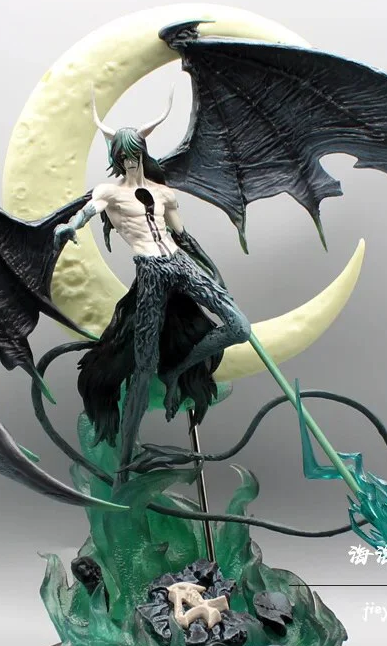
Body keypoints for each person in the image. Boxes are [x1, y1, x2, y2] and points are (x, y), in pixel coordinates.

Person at [54, 92, 251, 487]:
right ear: (115, 156)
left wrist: (212, 270)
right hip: (149, 272)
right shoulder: (109, 192)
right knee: (142, 372)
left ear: (142, 153)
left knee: (239, 327)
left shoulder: (164, 193)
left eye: (135, 154)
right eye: (123, 155)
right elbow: (87, 211)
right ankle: (124, 467)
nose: (130, 161)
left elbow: (183, 237)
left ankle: (178, 368)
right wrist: (70, 226)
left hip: (179, 263)